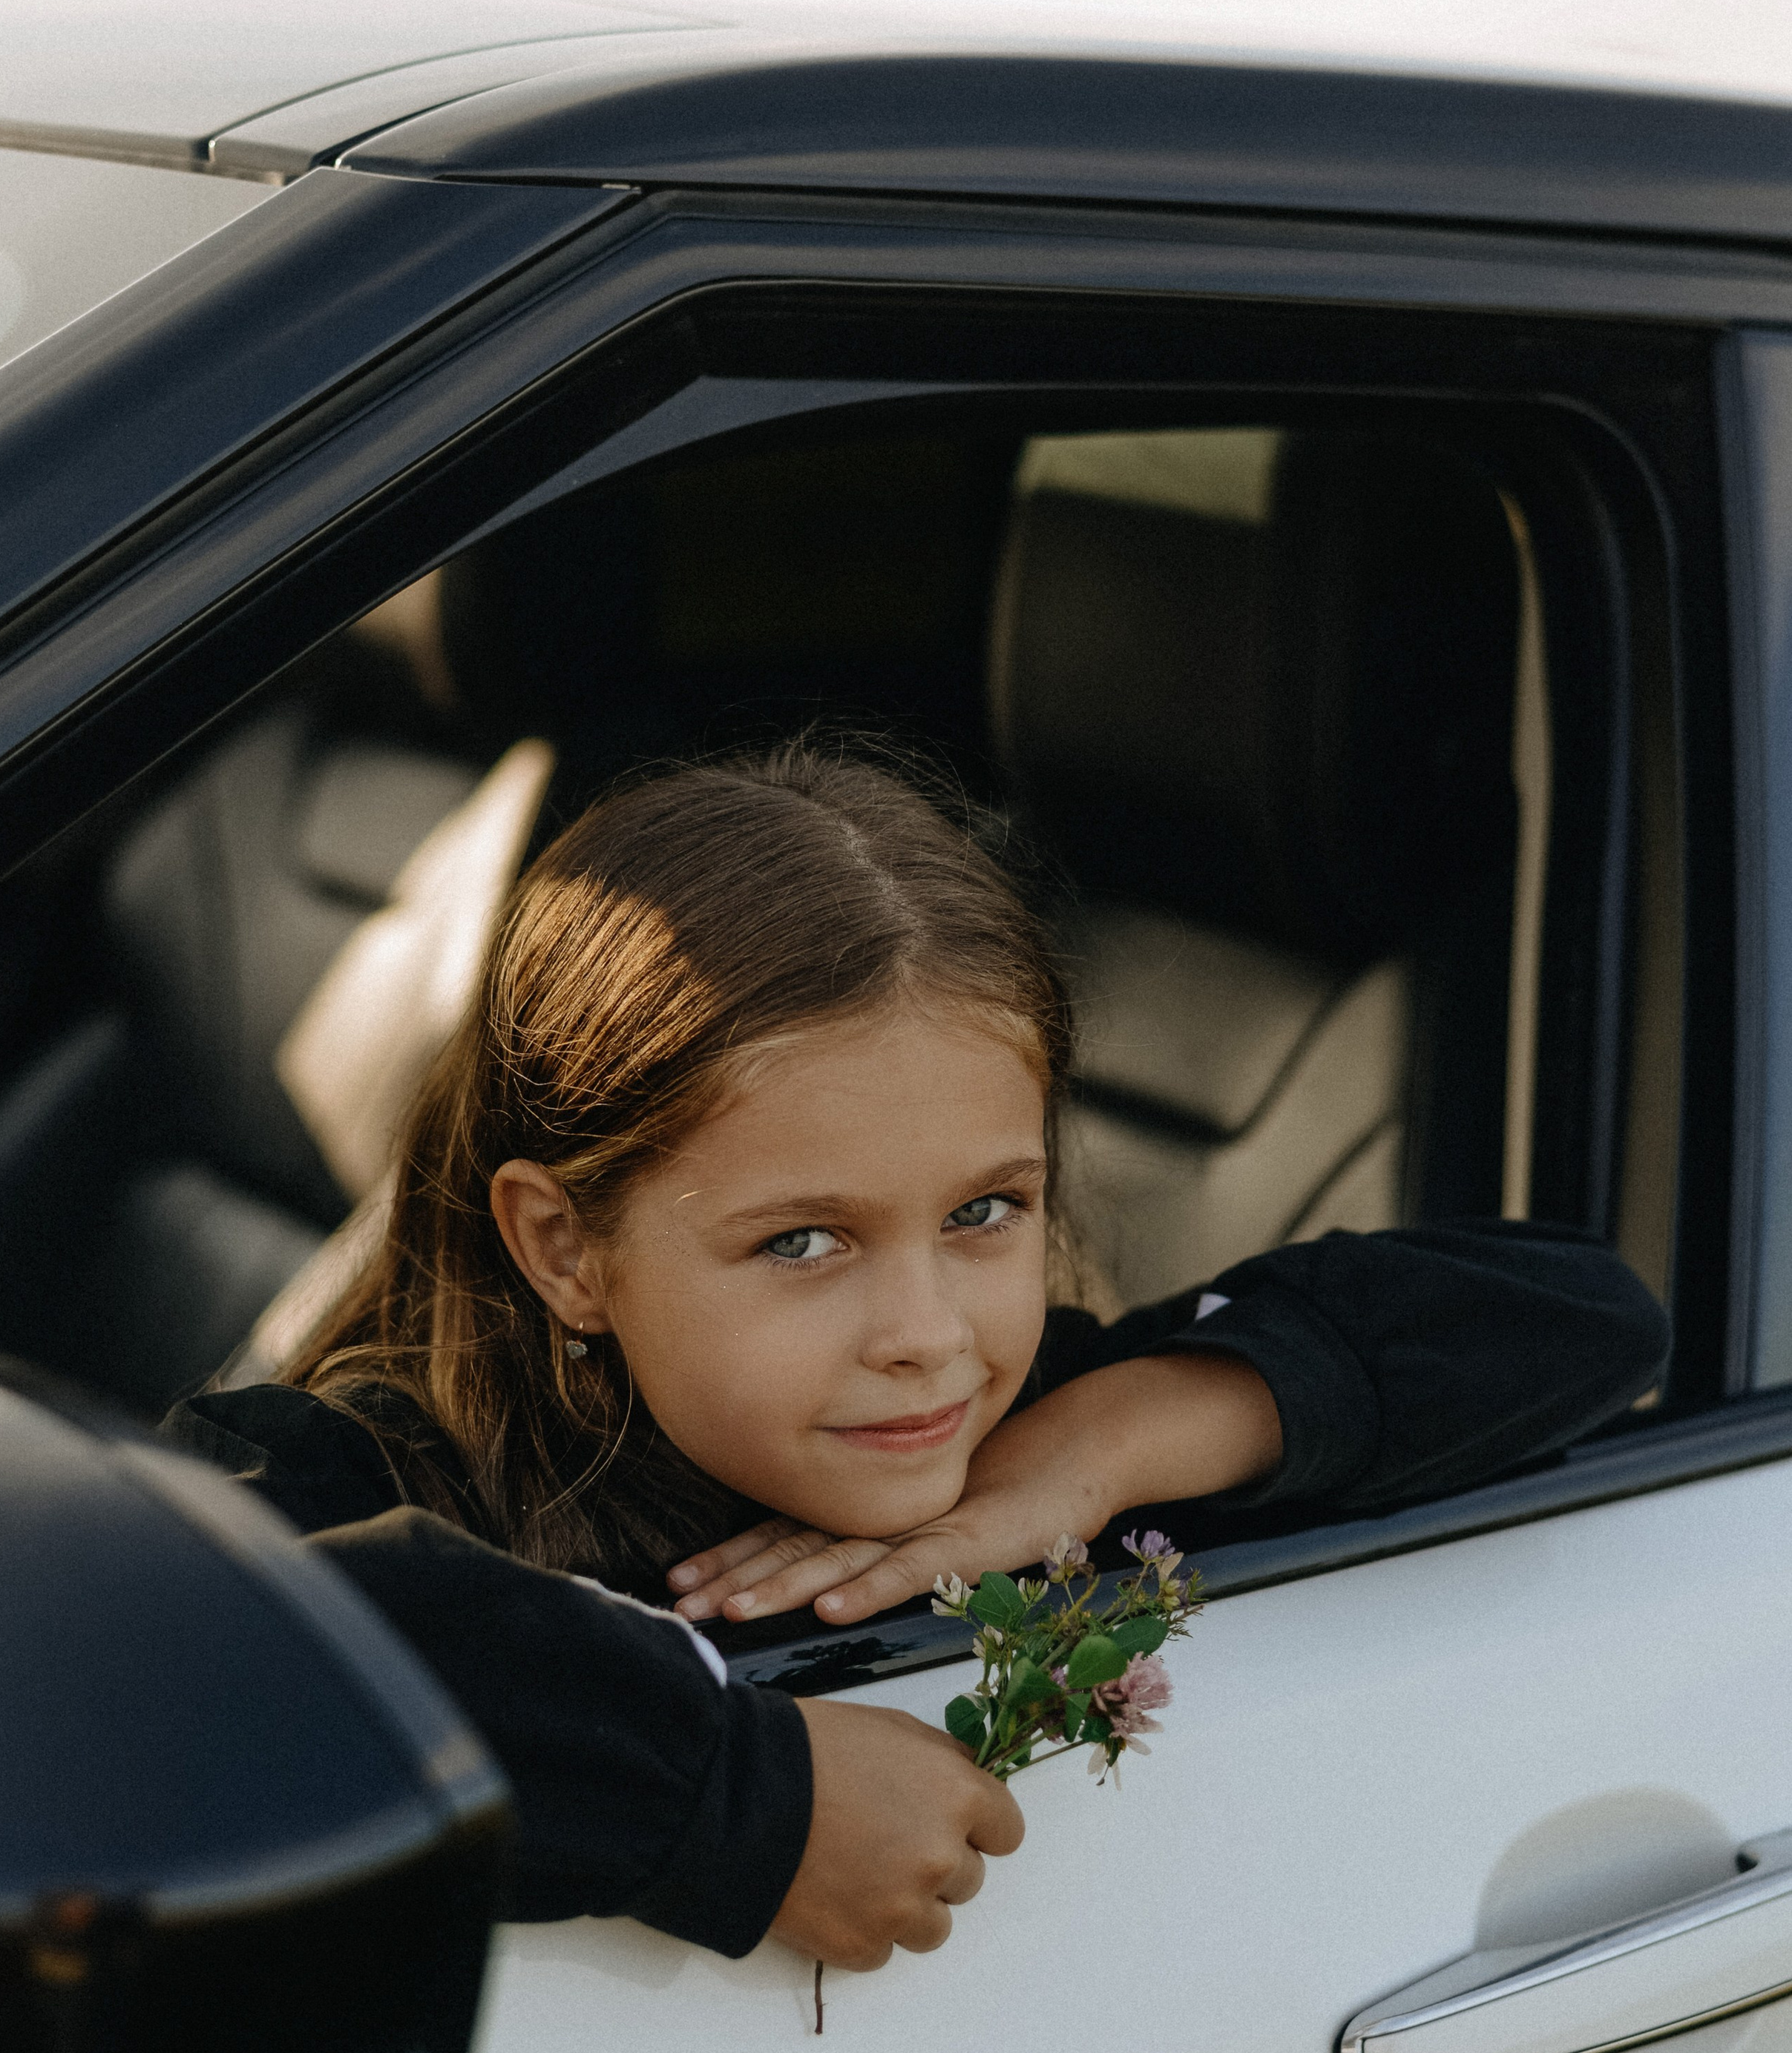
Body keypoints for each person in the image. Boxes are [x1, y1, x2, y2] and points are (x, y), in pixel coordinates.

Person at [165, 742, 1668, 1976]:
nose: (926, 1335)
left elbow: (1577, 1317)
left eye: (982, 1213)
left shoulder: (1041, 1442)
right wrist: (734, 1798)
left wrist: (1100, 1451)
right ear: (566, 1251)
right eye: (802, 1242)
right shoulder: (380, 1473)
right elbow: (154, 1633)